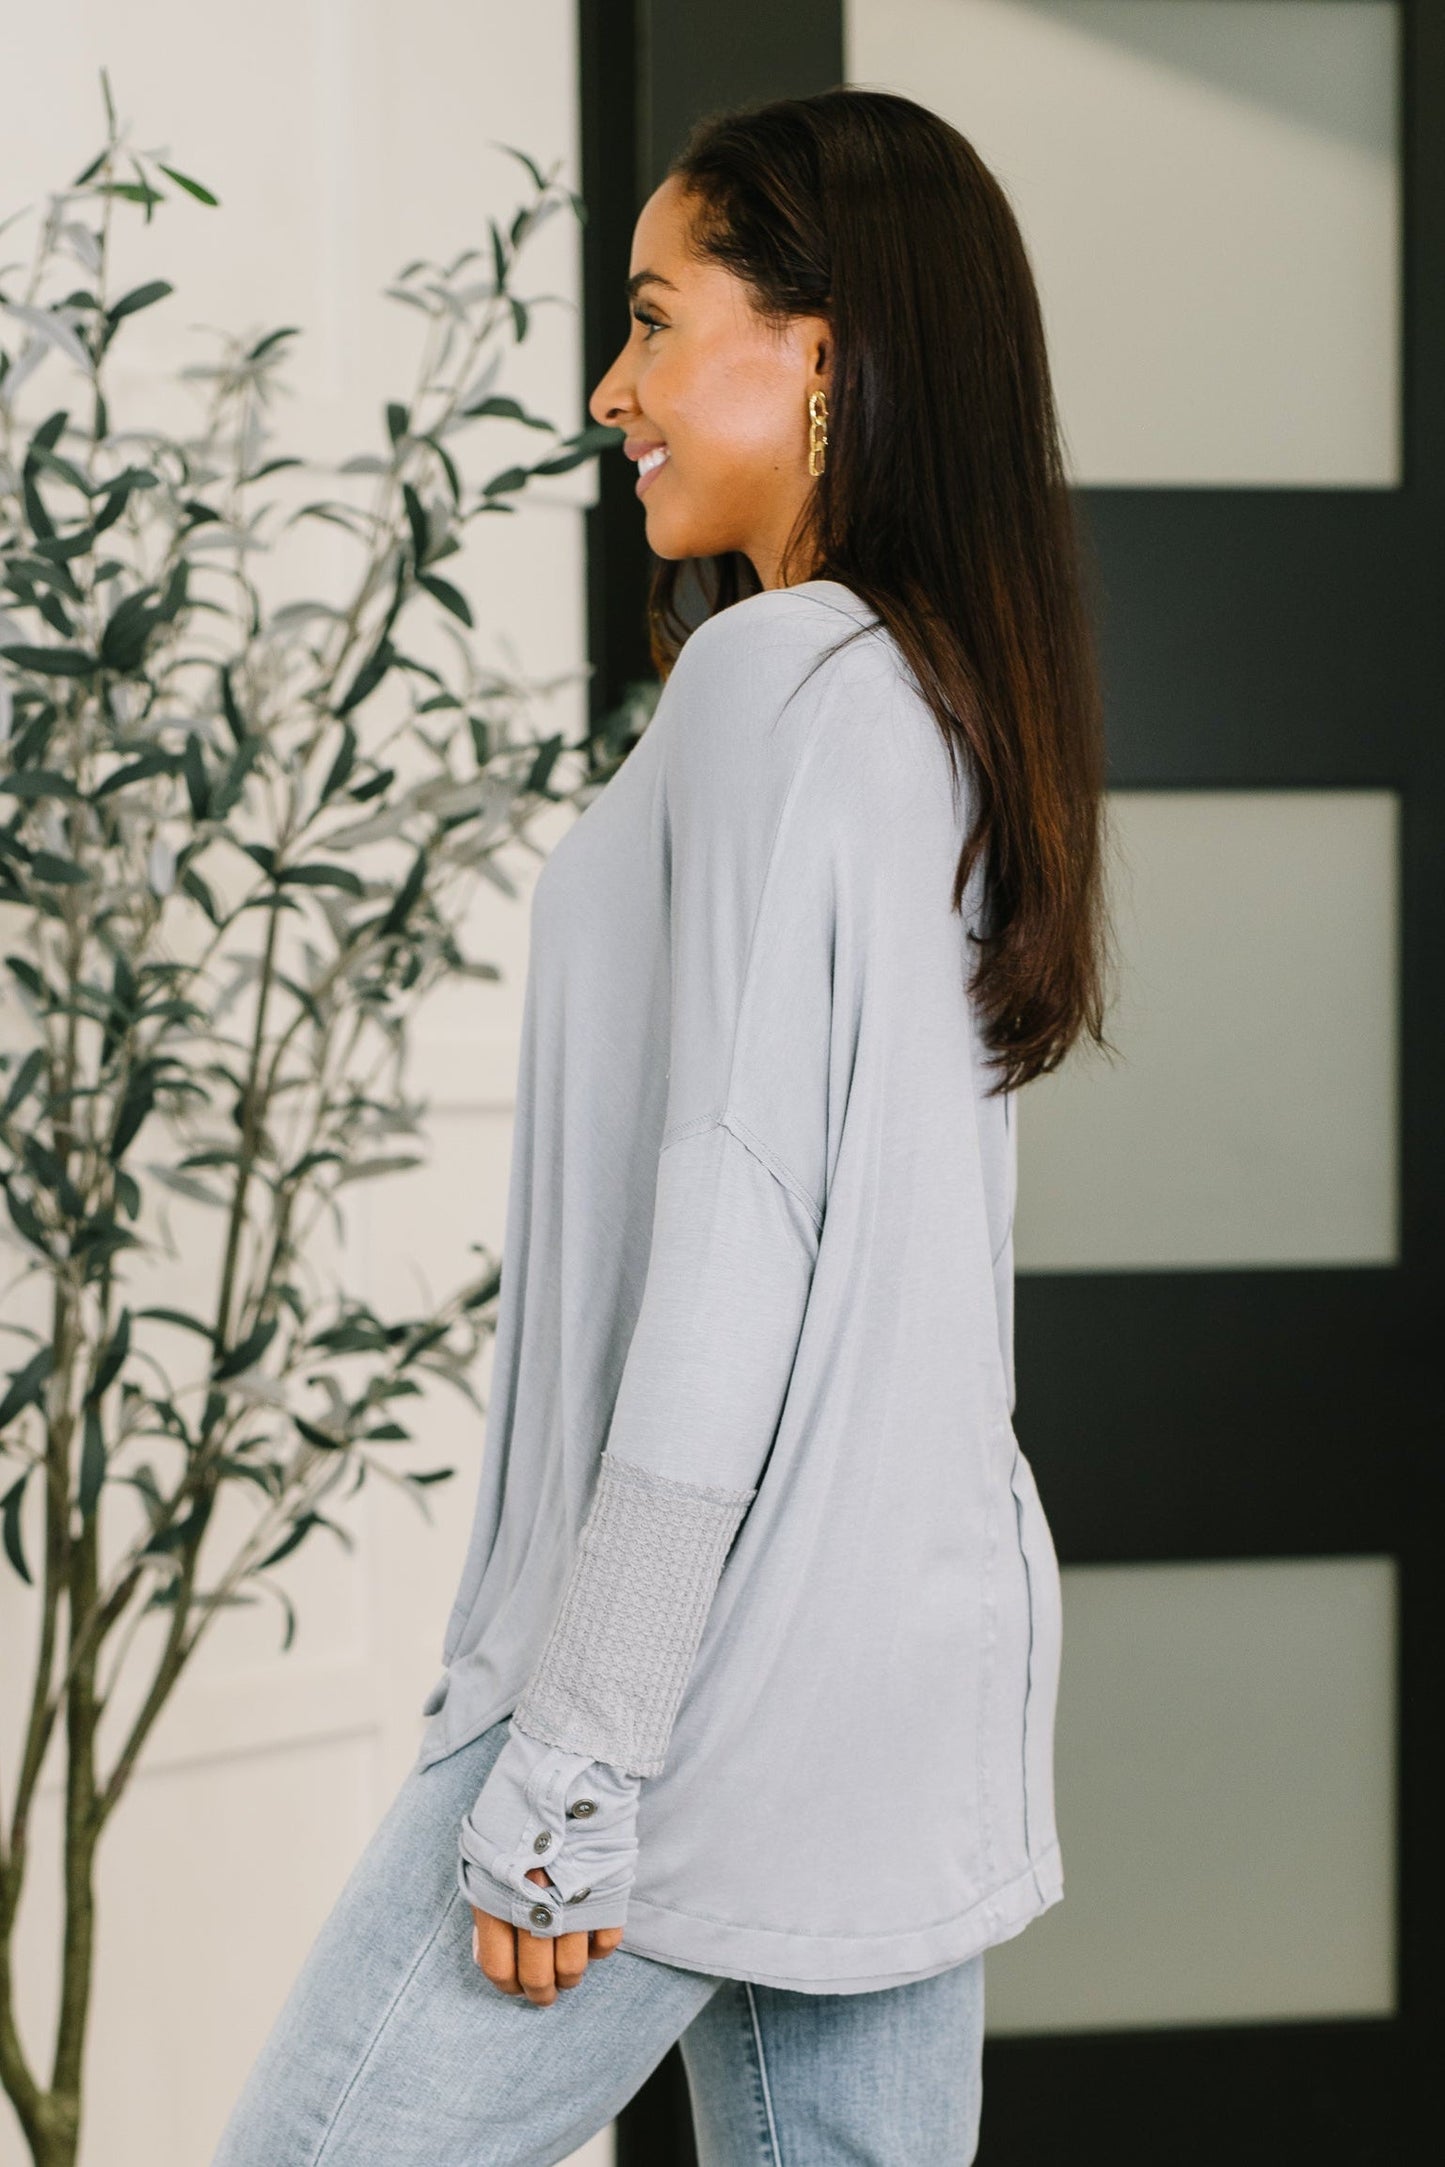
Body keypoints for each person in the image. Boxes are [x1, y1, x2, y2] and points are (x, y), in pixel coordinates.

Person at [211, 84, 1108, 2167]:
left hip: (691, 1684)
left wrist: (579, 1749)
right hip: (907, 1665)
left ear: (823, 351)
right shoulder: (941, 700)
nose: (612, 386)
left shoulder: (780, 681)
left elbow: (738, 1241)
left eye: (652, 315)